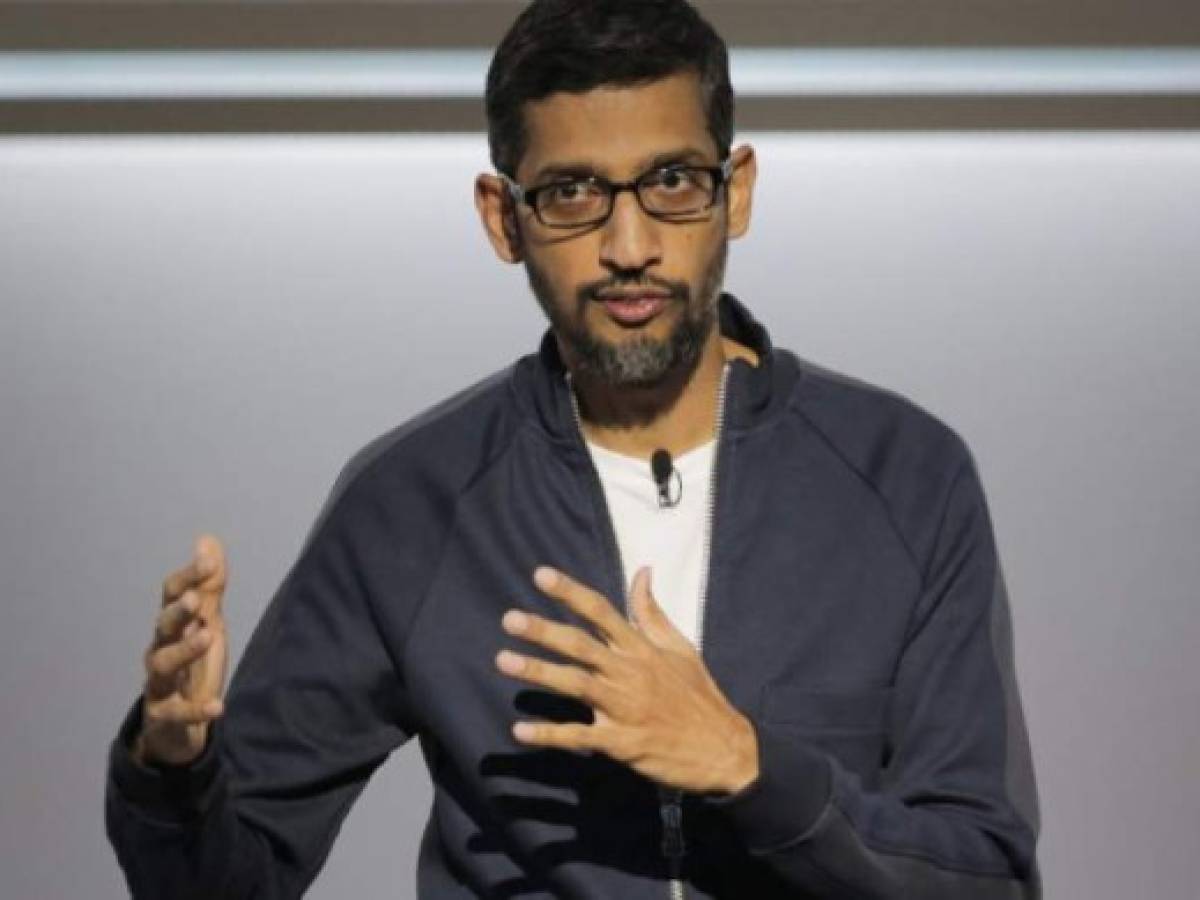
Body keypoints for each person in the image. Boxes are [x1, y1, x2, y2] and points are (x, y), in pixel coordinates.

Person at [104, 1, 1041, 897]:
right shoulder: (415, 502)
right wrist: (173, 767)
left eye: (672, 181)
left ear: (737, 191)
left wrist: (747, 766)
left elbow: (985, 875)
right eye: (573, 194)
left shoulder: (903, 475)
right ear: (502, 217)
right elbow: (225, 882)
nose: (629, 245)